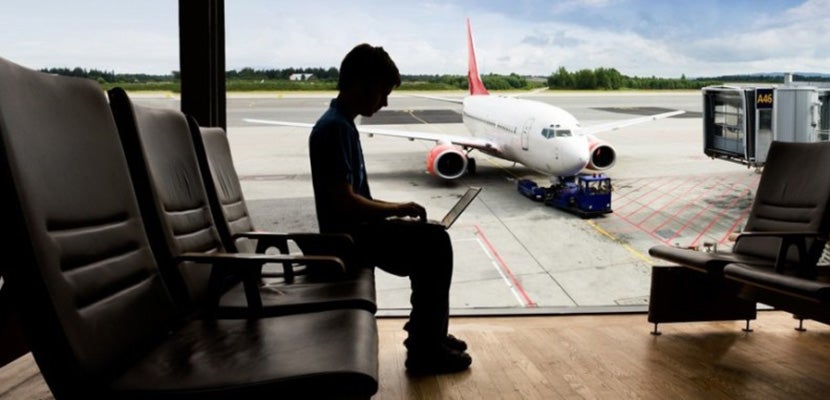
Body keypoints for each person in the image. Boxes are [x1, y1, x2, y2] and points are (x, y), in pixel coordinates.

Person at [307, 43, 472, 375]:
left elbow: (351, 196)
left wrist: (393, 212)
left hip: (357, 231)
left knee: (433, 239)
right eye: (383, 92)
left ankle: (429, 336)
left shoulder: (341, 123)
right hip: (349, 240)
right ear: (361, 85)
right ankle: (425, 348)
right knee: (435, 244)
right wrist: (394, 208)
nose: (384, 102)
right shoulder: (335, 128)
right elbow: (344, 202)